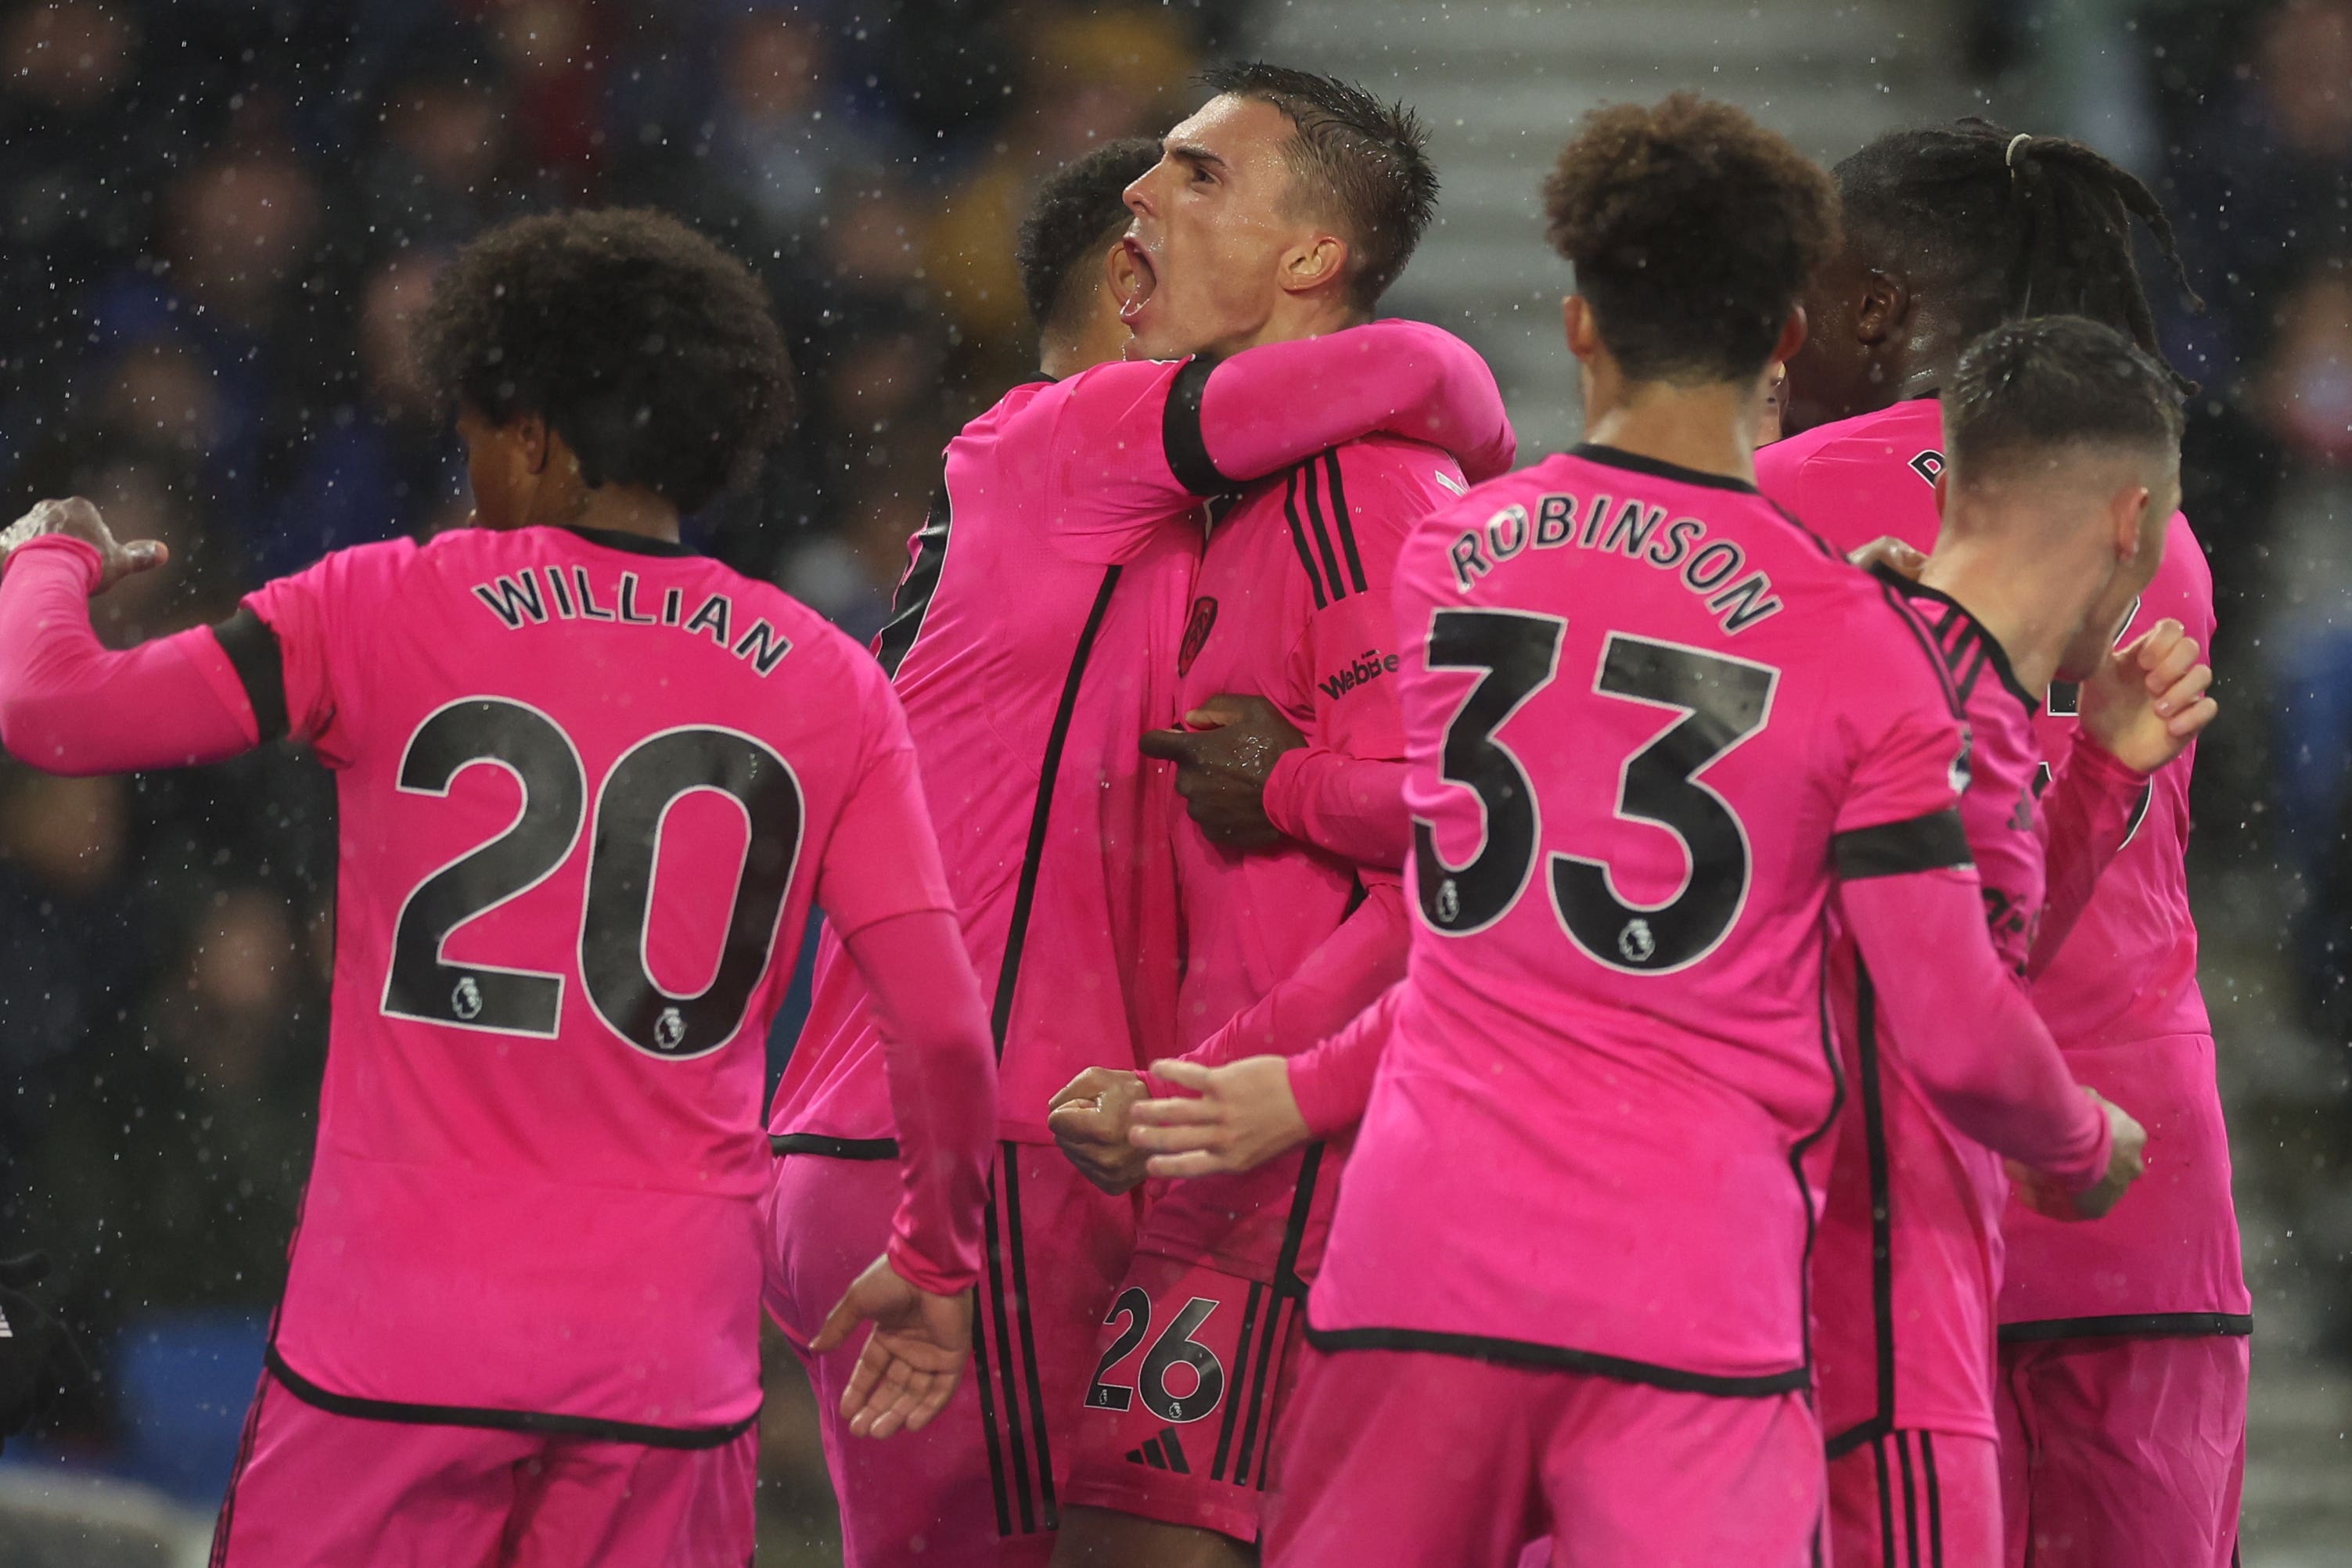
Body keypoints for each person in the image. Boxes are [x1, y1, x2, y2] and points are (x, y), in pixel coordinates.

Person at [1219, 94, 2142, 1568]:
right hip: (1683, 1293)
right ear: (1788, 336)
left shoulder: (1452, 550)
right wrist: (2079, 1137)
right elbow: (1952, 1022)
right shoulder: (1860, 640)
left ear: (1580, 324)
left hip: (1418, 1261)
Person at [0, 208, 998, 1568]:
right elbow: (941, 1029)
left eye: (472, 427)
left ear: (531, 430)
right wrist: (938, 1258)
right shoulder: (832, 681)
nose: (464, 464)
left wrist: (47, 558)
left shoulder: (378, 605)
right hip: (666, 1363)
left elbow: (51, 711)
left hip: (392, 1344)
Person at [765, 134, 1512, 1568]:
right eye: (1159, 200)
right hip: (995, 1139)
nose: (1151, 211)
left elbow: (1442, 825)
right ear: (1119, 304)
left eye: (1198, 181)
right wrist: (1488, 460)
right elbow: (1427, 367)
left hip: (918, 1122)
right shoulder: (1078, 437)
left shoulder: (1131, 510)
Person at [1763, 120, 2251, 1568]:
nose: (1777, 343)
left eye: (1805, 292)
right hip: (2142, 1187)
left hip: (1890, 1200)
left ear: (1875, 306)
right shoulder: (2149, 518)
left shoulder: (1774, 505)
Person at [1034, 64, 1502, 1568]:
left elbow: (1466, 845)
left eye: (1199, 175)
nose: (1139, 193)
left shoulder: (1359, 498)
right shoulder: (1240, 490)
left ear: (1312, 259)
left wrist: (1210, 1090)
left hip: (1293, 1167)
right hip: (1241, 1145)